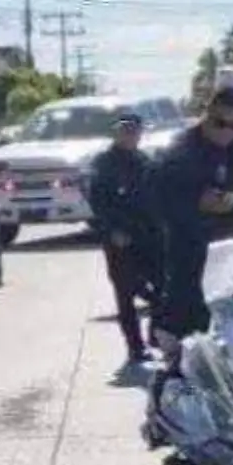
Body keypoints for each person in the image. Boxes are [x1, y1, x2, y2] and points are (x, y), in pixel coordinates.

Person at [148, 86, 233, 350]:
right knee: (187, 338)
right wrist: (195, 203)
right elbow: (155, 201)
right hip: (194, 254)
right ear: (207, 114)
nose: (228, 131)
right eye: (221, 123)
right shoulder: (180, 150)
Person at [86, 111, 158, 363]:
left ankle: (155, 336)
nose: (130, 135)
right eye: (125, 130)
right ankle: (134, 347)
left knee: (161, 288)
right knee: (125, 293)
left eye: (134, 130)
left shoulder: (144, 161)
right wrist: (111, 230)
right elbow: (97, 202)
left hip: (148, 236)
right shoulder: (103, 163)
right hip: (119, 238)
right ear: (115, 133)